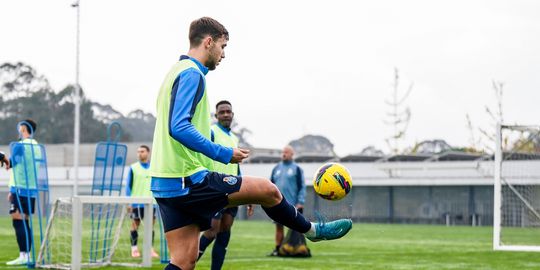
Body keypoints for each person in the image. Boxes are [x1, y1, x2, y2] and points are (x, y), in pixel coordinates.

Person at [149, 17, 352, 270]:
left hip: (165, 182)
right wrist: (224, 153)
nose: (223, 55)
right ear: (209, 42)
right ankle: (311, 230)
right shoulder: (191, 74)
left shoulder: (174, 72)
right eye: (223, 47)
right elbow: (178, 127)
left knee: (184, 261)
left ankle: (309, 230)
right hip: (185, 179)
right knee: (268, 190)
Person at [197, 100, 254, 269]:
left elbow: (236, 167)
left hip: (233, 189)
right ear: (216, 116)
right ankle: (186, 264)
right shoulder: (211, 132)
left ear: (232, 114)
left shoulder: (234, 138)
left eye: (228, 111)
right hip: (215, 188)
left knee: (225, 231)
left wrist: (246, 192)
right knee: (211, 231)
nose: (226, 114)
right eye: (222, 112)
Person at [6, 119, 39, 265]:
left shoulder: (19, 146)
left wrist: (2, 157)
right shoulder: (37, 145)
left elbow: (11, 164)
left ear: (24, 128)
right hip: (31, 189)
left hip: (19, 188)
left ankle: (23, 255)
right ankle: (27, 255)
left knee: (17, 220)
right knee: (24, 221)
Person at [269, 145, 305, 256]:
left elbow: (302, 186)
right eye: (282, 152)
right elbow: (270, 185)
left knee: (295, 227)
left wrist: (300, 201)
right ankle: (278, 249)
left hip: (292, 205)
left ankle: (294, 248)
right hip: (277, 203)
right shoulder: (276, 168)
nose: (284, 154)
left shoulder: (297, 169)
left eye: (286, 152)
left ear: (292, 154)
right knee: (279, 227)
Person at [126, 145, 160, 258]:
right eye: (138, 151)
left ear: (148, 152)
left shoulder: (155, 167)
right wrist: (129, 202)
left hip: (152, 202)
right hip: (137, 202)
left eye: (142, 151)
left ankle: (150, 250)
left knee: (150, 227)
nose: (139, 153)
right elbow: (128, 186)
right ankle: (134, 249)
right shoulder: (133, 167)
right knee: (135, 225)